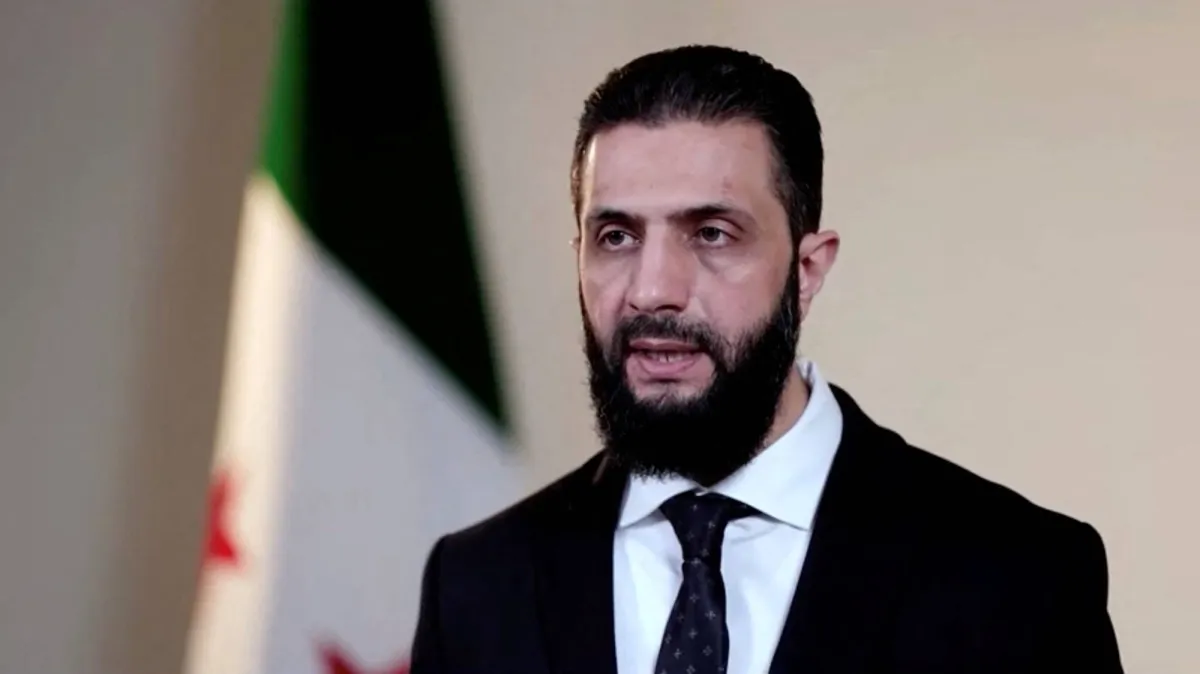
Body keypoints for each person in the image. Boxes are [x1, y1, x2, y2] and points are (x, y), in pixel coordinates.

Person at [410, 45, 1123, 674]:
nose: (652, 290)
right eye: (617, 237)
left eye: (712, 233)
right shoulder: (475, 585)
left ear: (807, 271)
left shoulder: (1020, 578)